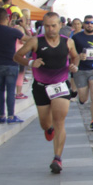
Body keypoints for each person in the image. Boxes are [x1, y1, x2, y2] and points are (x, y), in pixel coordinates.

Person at [14, 12, 79, 174]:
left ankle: (57, 158)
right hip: (41, 86)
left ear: (60, 25)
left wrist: (74, 65)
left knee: (59, 121)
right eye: (47, 26)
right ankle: (47, 128)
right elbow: (17, 56)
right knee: (45, 123)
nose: (50, 29)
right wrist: (30, 62)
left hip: (60, 85)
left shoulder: (68, 42)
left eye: (54, 25)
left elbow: (75, 57)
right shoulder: (36, 41)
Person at [71, 15, 93, 132]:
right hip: (81, 70)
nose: (89, 25)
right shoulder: (76, 38)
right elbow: (71, 55)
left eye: (92, 23)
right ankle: (81, 99)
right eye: (87, 23)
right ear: (83, 24)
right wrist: (78, 57)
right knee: (83, 97)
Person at [0, 8, 25, 124]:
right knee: (10, 91)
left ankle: (2, 115)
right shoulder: (13, 31)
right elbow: (28, 39)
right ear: (8, 18)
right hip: (11, 63)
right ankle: (11, 116)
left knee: (0, 90)